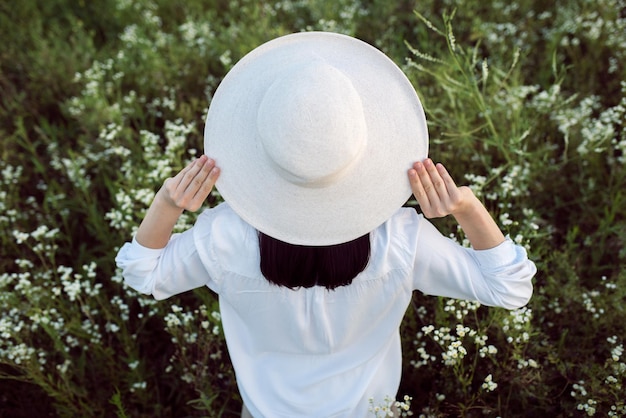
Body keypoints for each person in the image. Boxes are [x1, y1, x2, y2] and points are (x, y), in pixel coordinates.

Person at [116, 32, 536, 417]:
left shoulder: (224, 234)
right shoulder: (400, 239)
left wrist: (169, 202)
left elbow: (144, 273)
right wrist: (467, 207)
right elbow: (509, 288)